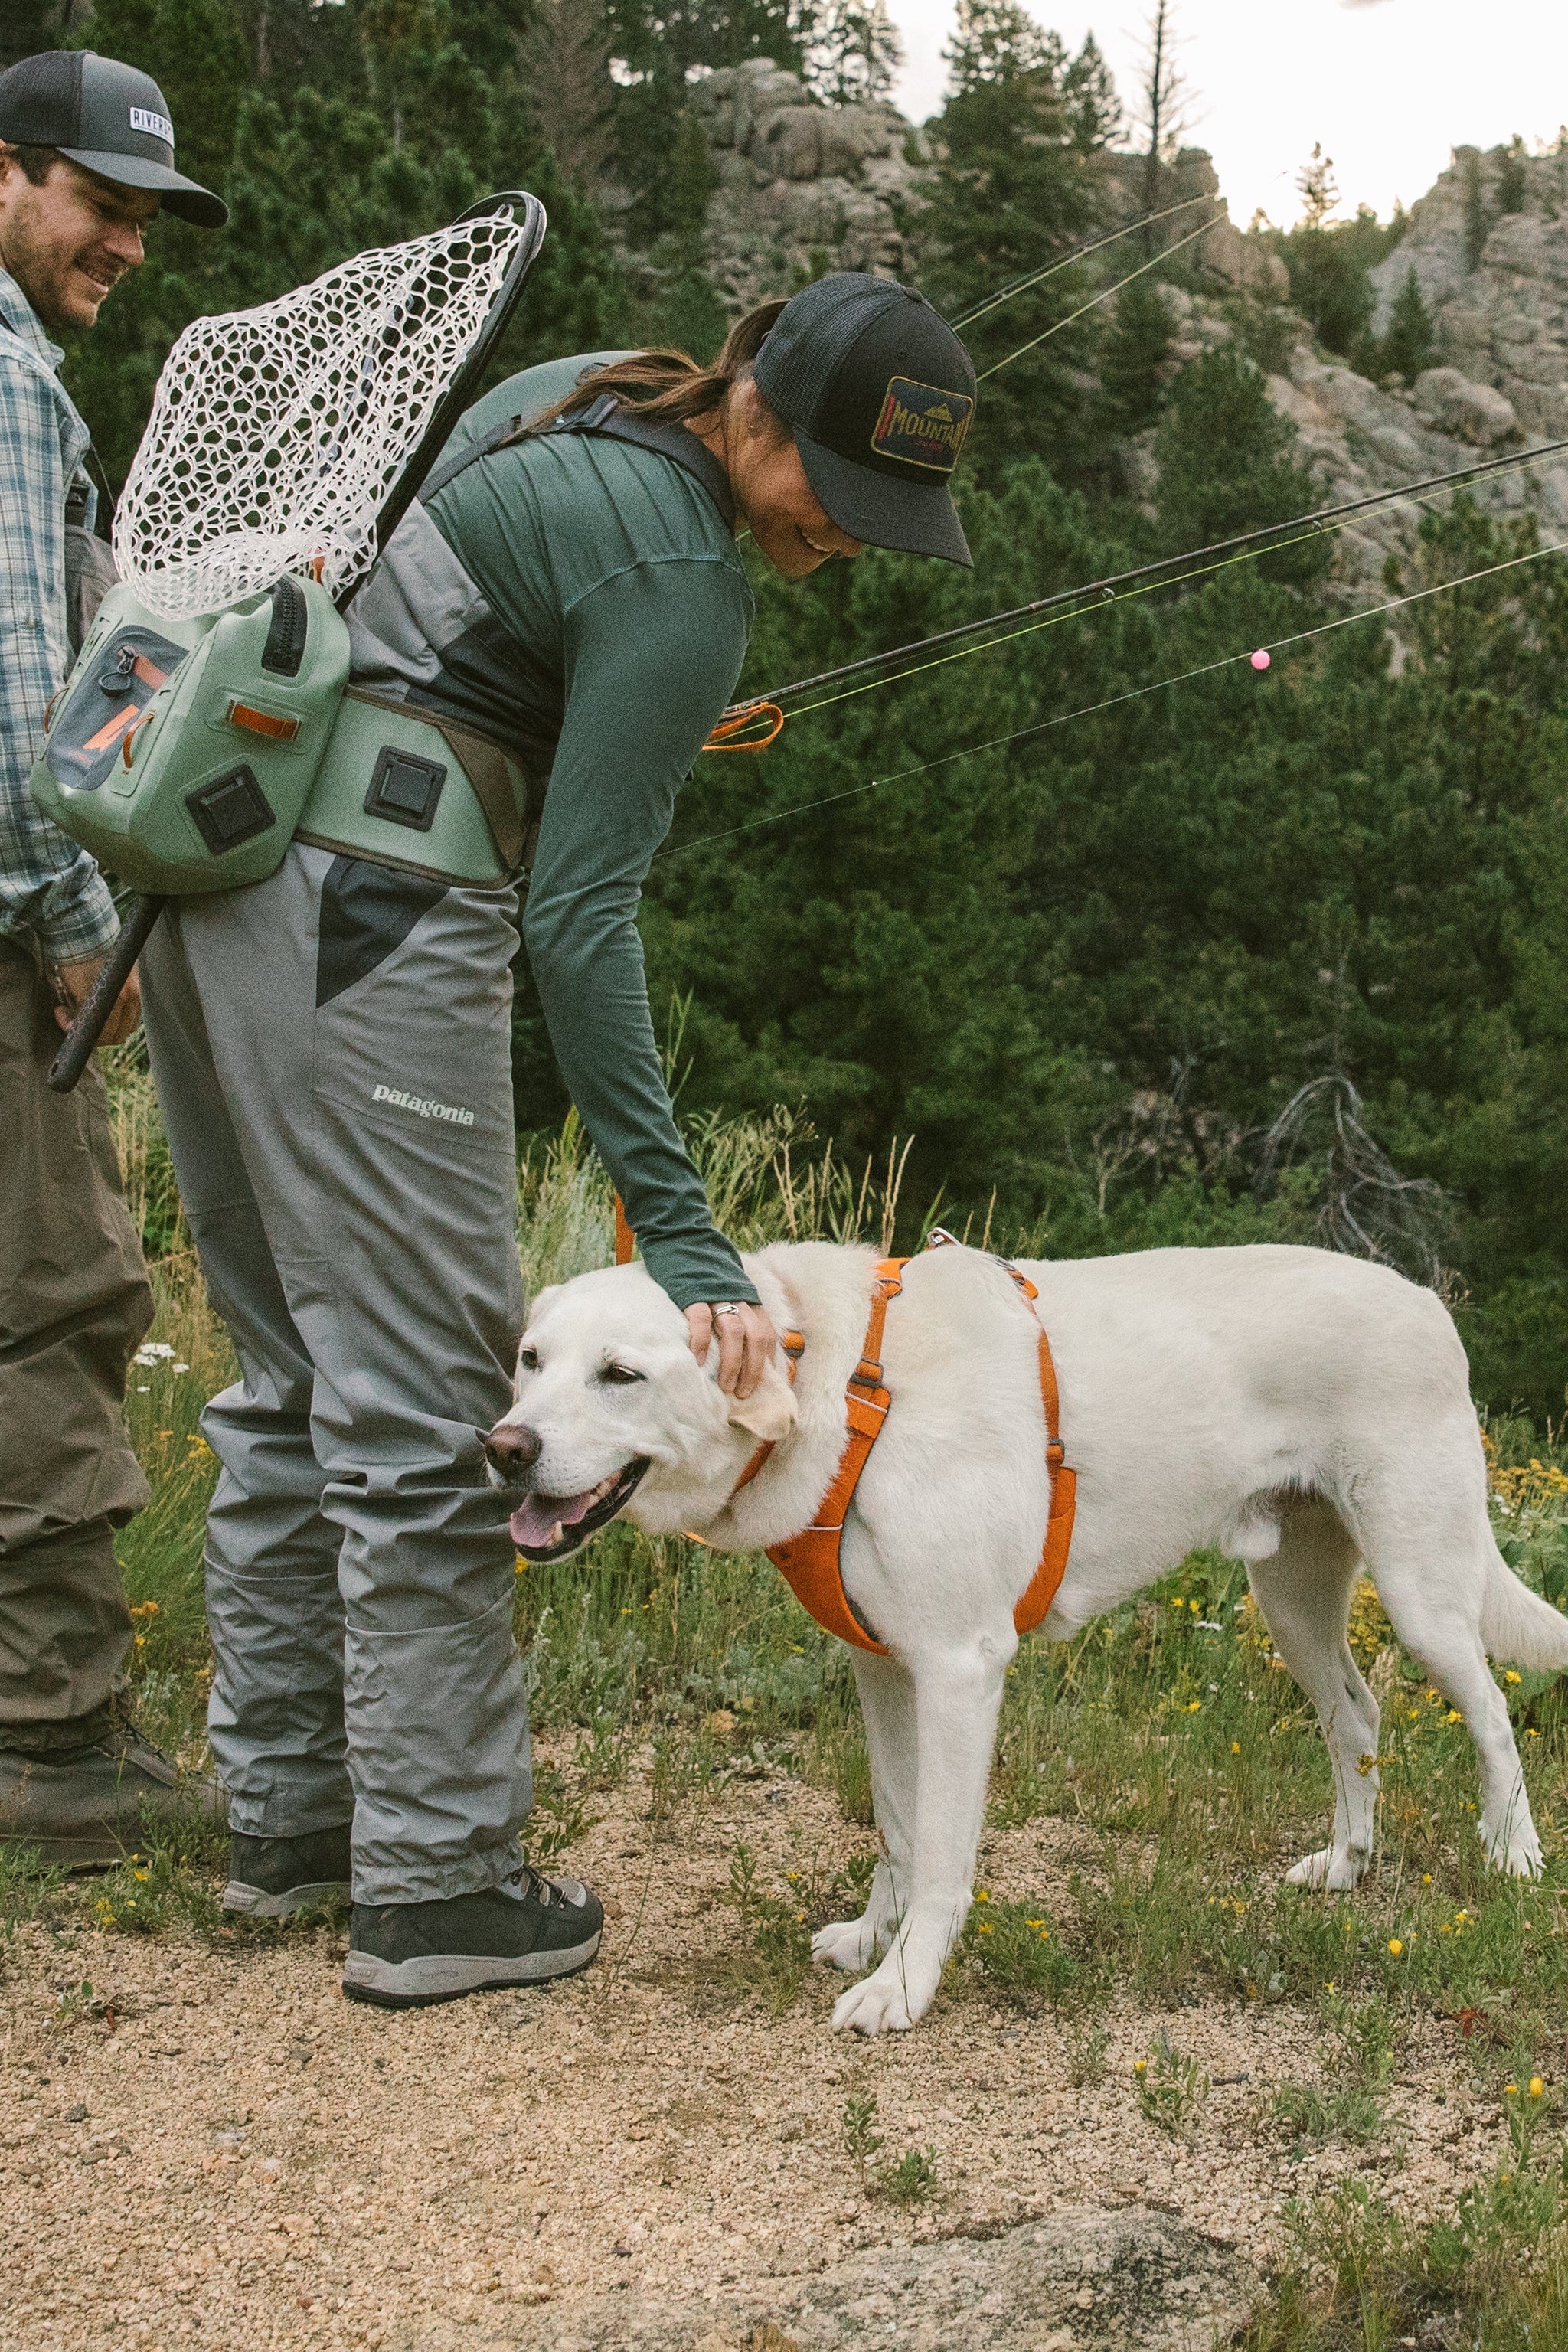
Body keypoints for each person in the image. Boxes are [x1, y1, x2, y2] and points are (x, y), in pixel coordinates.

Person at [136, 270, 978, 2007]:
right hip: (375, 915)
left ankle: (294, 1825)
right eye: (841, 486)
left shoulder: (580, 390)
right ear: (759, 408)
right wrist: (681, 1240)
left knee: (290, 1372)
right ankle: (437, 1882)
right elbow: (581, 925)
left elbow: (456, 630)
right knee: (455, 1403)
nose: (853, 537)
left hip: (219, 880)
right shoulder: (681, 583)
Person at [0, 51, 227, 1863]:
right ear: (5, 175)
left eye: (145, 217)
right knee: (56, 1308)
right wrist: (82, 935)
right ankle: (50, 1746)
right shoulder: (7, 385)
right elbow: (18, 719)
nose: (125, 243)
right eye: (97, 203)